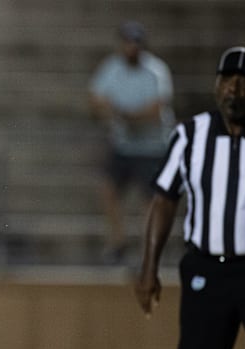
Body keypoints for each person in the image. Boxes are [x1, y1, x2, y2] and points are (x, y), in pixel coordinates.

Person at [135, 46, 245, 349]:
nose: (233, 89)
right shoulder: (190, 135)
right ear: (216, 85)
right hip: (205, 271)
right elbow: (164, 199)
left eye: (243, 82)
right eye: (226, 80)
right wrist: (148, 268)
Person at [89, 20, 175, 264]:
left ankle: (149, 247)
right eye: (127, 42)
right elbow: (95, 98)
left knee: (149, 200)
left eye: (135, 43)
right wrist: (109, 111)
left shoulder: (156, 70)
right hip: (124, 145)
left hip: (151, 146)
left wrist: (125, 115)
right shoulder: (112, 67)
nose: (131, 48)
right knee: (108, 189)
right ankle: (118, 241)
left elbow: (157, 109)